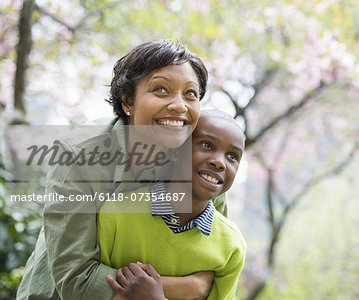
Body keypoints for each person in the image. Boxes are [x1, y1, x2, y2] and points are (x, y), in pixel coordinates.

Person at [17, 40, 227, 300]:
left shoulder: (202, 161)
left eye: (190, 94)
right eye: (161, 90)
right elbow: (76, 278)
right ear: (128, 100)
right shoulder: (77, 155)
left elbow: (216, 262)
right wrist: (189, 287)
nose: (179, 105)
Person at [97, 110, 246, 300]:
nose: (219, 162)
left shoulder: (231, 246)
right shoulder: (116, 213)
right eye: (207, 145)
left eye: (232, 156)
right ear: (175, 151)